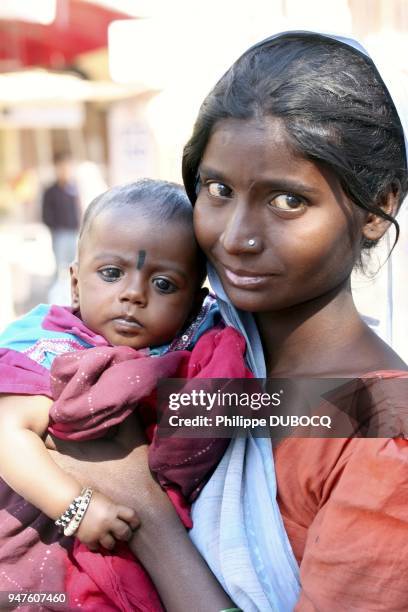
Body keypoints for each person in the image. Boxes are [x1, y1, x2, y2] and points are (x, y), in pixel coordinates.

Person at [45, 31, 408, 612]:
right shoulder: (204, 356)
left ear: (378, 209)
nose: (236, 238)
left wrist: (145, 514)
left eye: (287, 200)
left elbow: (129, 480)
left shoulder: (382, 433)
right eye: (218, 190)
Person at [0, 179, 250, 611]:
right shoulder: (54, 345)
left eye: (165, 285)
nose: (134, 293)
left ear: (195, 305)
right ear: (75, 284)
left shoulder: (191, 354)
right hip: (48, 541)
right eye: (112, 274)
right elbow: (7, 432)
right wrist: (76, 508)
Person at [42, 151, 81, 279]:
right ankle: (58, 296)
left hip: (75, 233)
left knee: (76, 268)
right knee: (61, 270)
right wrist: (56, 228)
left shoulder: (75, 189)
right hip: (60, 235)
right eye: (62, 167)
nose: (65, 171)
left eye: (67, 167)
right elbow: (45, 215)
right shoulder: (50, 191)